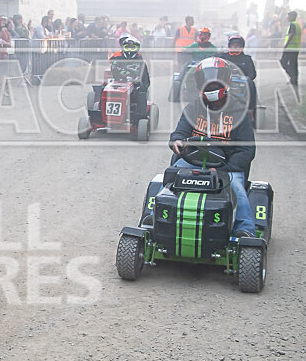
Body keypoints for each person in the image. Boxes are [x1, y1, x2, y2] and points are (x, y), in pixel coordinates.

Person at [167, 57, 257, 237]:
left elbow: (247, 150)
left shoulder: (239, 112)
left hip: (227, 167)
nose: (211, 85)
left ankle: (245, 229)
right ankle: (155, 219)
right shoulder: (193, 108)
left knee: (237, 189)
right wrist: (177, 141)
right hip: (193, 163)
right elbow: (179, 133)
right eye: (206, 81)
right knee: (168, 182)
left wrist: (225, 167)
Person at [110, 35, 150, 118]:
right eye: (127, 47)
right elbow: (114, 70)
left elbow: (146, 80)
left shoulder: (140, 62)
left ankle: (140, 116)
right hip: (118, 83)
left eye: (132, 48)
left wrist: (143, 87)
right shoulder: (118, 58)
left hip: (134, 86)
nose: (129, 50)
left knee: (141, 93)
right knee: (103, 87)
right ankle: (103, 108)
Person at [218, 34, 258, 117]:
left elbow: (252, 74)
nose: (235, 47)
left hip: (242, 83)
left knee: (251, 84)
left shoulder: (247, 58)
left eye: (237, 45)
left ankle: (250, 110)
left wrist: (248, 78)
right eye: (233, 45)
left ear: (242, 46)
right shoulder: (223, 57)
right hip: (225, 81)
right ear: (229, 45)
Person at [280, 11, 301, 88]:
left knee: (283, 62)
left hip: (290, 48)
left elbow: (292, 34)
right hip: (296, 48)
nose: (287, 18)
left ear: (292, 16)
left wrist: (286, 45)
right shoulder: (297, 25)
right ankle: (294, 80)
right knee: (294, 64)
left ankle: (292, 76)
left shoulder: (292, 24)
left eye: (288, 16)